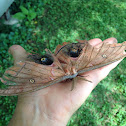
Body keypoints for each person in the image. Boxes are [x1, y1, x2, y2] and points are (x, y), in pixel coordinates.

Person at [8, 38, 122, 126]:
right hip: (73, 68)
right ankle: (62, 58)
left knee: (45, 67)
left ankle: (50, 61)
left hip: (61, 71)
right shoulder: (77, 72)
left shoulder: (64, 76)